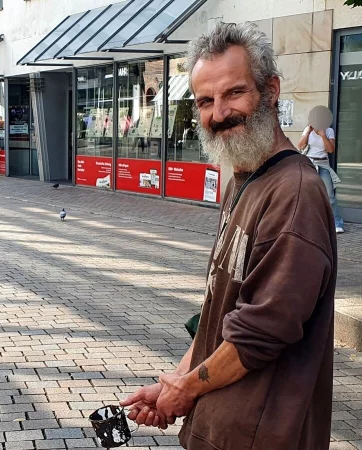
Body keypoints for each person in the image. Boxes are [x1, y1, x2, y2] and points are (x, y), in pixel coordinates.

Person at [121, 23, 337, 450]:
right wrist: (175, 386)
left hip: (263, 436)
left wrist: (185, 390)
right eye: (205, 100)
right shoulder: (244, 179)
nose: (218, 113)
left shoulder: (294, 194)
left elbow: (257, 335)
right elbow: (218, 317)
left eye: (234, 93)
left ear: (270, 90)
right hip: (220, 429)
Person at [298, 125, 344, 233]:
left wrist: (323, 135)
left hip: (323, 164)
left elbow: (331, 149)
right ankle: (304, 222)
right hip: (309, 163)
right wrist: (308, 132)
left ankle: (337, 223)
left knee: (329, 196)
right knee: (305, 194)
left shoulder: (329, 131)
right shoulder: (307, 129)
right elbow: (299, 146)